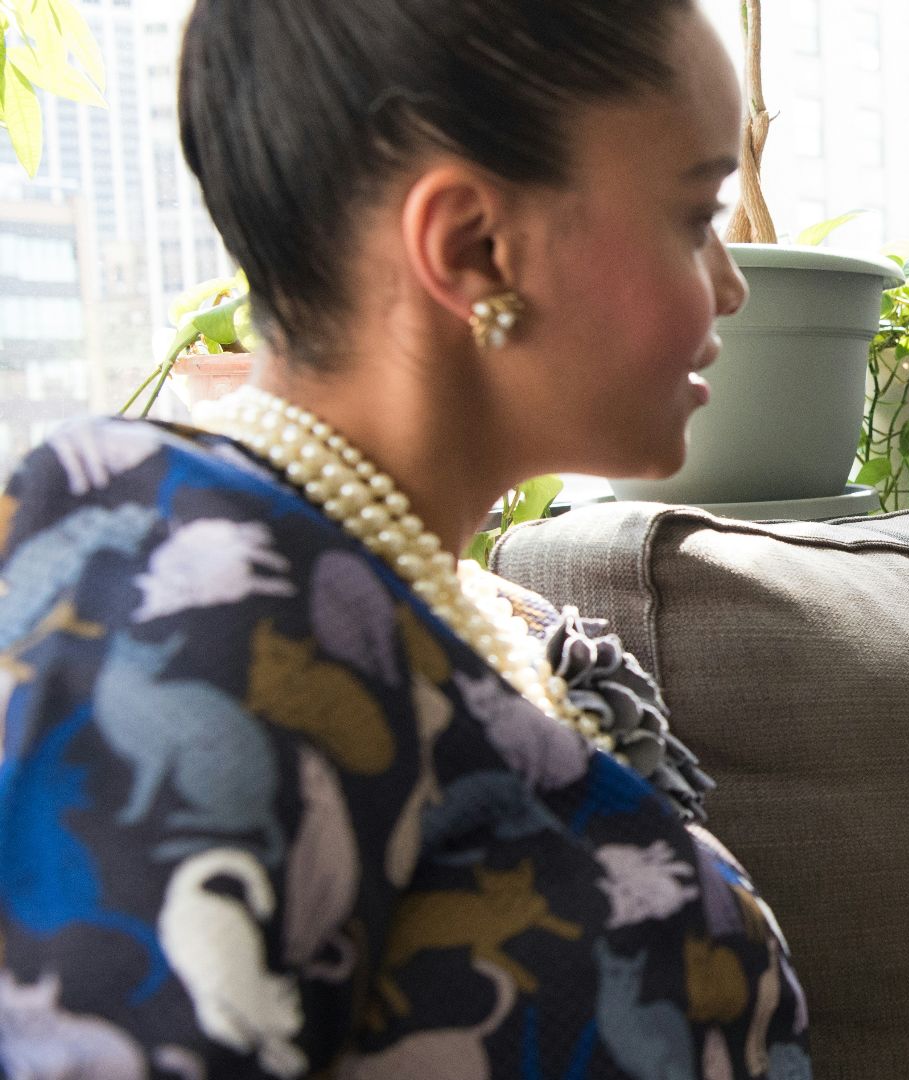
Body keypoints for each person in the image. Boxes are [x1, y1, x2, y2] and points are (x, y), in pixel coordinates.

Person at [0, 1, 813, 1077]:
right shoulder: (171, 587)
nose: (732, 283)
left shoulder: (470, 614)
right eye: (697, 213)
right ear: (472, 247)